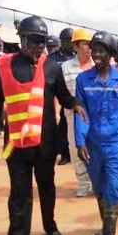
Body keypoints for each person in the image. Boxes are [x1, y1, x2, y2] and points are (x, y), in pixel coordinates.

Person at [0, 16, 86, 235]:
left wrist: (76, 104)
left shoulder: (51, 67)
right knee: (20, 195)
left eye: (42, 42)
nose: (39, 46)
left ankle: (50, 226)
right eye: (34, 41)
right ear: (22, 39)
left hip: (45, 143)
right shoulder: (4, 67)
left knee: (47, 189)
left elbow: (62, 95)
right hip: (16, 145)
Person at [75, 31, 118, 235]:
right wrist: (80, 141)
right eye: (94, 50)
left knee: (113, 187)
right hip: (92, 145)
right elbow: (81, 113)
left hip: (115, 144)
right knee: (99, 189)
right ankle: (105, 229)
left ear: (110, 54)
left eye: (101, 51)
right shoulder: (83, 80)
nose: (96, 54)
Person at [61, 28, 94, 197]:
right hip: (73, 116)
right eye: (85, 44)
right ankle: (83, 183)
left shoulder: (98, 66)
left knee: (95, 148)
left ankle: (96, 182)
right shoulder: (66, 68)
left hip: (96, 116)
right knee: (76, 150)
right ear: (75, 47)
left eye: (91, 45)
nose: (88, 48)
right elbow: (60, 94)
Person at [49, 28, 76, 166]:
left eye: (71, 41)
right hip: (59, 97)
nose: (69, 44)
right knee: (63, 128)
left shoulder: (78, 58)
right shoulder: (53, 59)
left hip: (74, 96)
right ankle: (65, 154)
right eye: (66, 41)